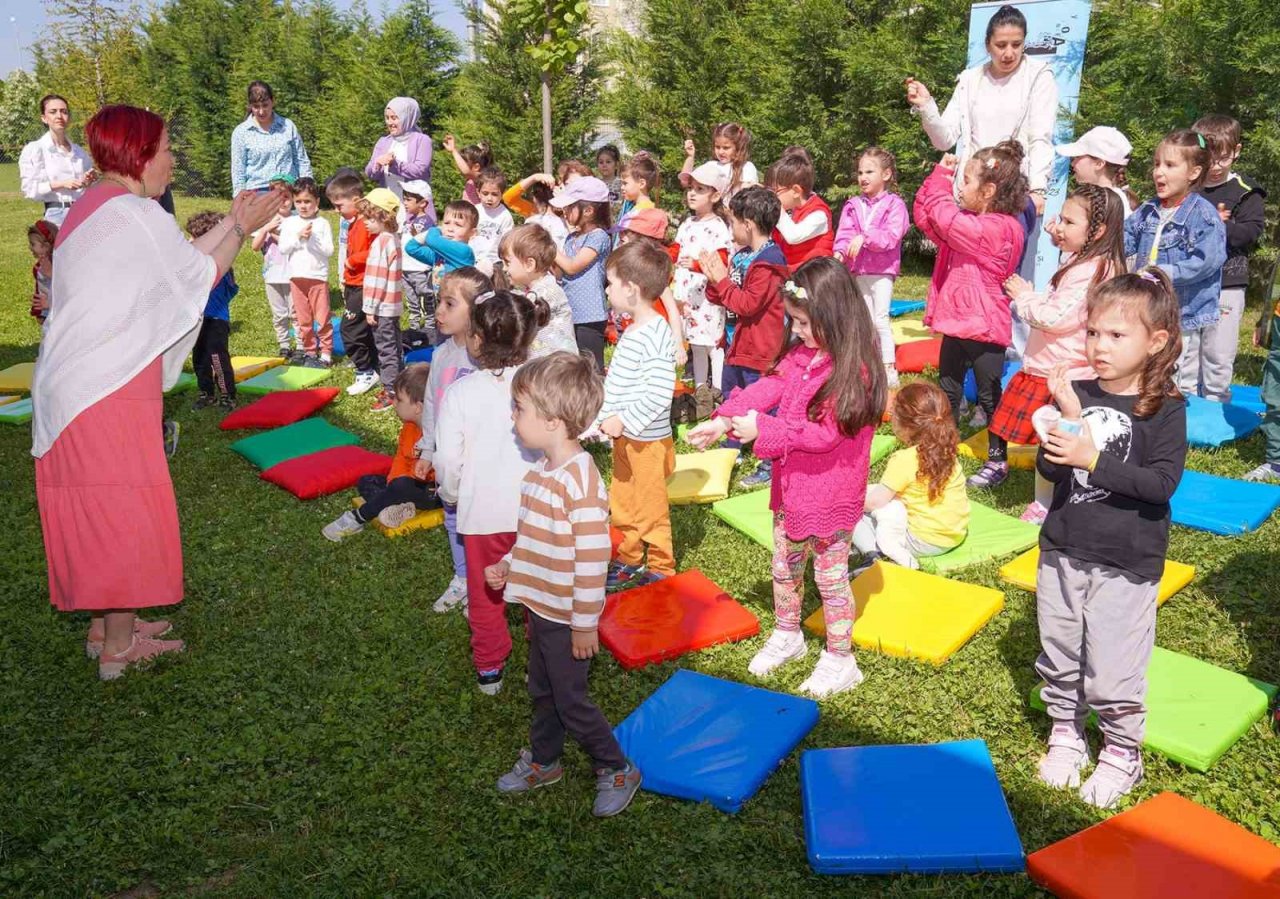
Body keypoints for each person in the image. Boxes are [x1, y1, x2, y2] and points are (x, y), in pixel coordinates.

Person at [31, 104, 283, 679]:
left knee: (100, 504)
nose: (173, 159)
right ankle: (119, 650)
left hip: (80, 383)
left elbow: (180, 263)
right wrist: (241, 227)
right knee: (120, 506)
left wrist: (235, 220)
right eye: (167, 148)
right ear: (139, 154)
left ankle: (107, 626)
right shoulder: (135, 213)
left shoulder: (98, 203)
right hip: (106, 386)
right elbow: (197, 275)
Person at [688, 258, 886, 697]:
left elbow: (825, 435)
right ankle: (788, 633)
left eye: (803, 323)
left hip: (831, 494)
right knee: (785, 566)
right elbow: (769, 387)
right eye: (793, 321)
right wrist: (724, 420)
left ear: (834, 315)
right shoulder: (803, 355)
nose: (796, 331)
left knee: (831, 578)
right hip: (793, 491)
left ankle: (841, 658)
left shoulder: (855, 370)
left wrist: (766, 428)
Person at [1033, 269, 1187, 809]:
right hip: (1063, 547)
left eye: (1117, 335)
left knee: (1113, 664)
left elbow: (1160, 485)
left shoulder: (1165, 409)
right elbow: (1052, 474)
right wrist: (1067, 423)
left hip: (1127, 559)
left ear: (1156, 342)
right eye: (1094, 332)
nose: (1100, 346)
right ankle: (1066, 730)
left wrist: (1092, 458)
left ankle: (1122, 749)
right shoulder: (1077, 393)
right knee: (1060, 649)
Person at [488, 351, 643, 817]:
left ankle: (617, 767)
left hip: (567, 617)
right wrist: (509, 563)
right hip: (540, 607)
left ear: (553, 422)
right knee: (543, 690)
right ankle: (545, 761)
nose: (513, 417)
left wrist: (584, 624)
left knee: (571, 701)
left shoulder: (581, 483)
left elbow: (593, 561)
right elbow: (534, 535)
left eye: (519, 409)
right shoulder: (540, 471)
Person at [434, 291, 548, 694]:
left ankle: (490, 669)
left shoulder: (461, 393)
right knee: (540, 592)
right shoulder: (541, 384)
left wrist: (451, 495)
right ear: (528, 336)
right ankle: (542, 664)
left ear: (476, 339)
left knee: (485, 596)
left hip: (482, 515)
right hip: (538, 511)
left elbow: (448, 458)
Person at [999, 186, 1125, 523]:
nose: (1059, 227)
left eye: (1069, 222)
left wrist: (1024, 297)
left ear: (1096, 231)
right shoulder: (1084, 261)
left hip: (1068, 375)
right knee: (1053, 444)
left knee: (1056, 446)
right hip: (1059, 368)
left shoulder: (1092, 270)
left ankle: (1047, 504)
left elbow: (1055, 318)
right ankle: (1050, 501)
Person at [914, 142, 1028, 490]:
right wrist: (938, 175)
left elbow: (944, 218)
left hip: (984, 327)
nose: (960, 189)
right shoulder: (969, 224)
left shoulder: (1001, 229)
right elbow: (927, 217)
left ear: (988, 191)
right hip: (956, 323)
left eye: (965, 181)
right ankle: (942, 452)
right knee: (947, 390)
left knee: (990, 396)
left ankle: (998, 460)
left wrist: (942, 179)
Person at [905, 4, 1057, 220]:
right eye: (1001, 45)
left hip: (1012, 197)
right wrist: (926, 106)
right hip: (971, 196)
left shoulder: (1039, 76)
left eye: (1017, 44)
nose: (1009, 53)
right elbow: (944, 141)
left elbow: (1041, 138)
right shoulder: (970, 79)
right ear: (987, 45)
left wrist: (1038, 189)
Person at [594, 240, 677, 590]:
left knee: (650, 505)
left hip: (647, 442)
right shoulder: (634, 328)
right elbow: (623, 383)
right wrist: (604, 416)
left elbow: (658, 391)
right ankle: (629, 556)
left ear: (631, 289)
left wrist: (624, 419)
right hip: (626, 438)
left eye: (610, 283)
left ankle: (661, 565)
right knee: (624, 499)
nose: (607, 290)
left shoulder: (656, 334)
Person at [1123, 129, 1227, 398]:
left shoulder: (1203, 215)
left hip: (1182, 312)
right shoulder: (1148, 210)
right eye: (1157, 164)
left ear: (1193, 172)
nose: (1159, 172)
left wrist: (1163, 272)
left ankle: (1173, 412)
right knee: (1146, 362)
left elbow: (1206, 261)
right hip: (1148, 305)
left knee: (1174, 369)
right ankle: (1148, 404)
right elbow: (1124, 238)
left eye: (1169, 165)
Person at [414, 268, 492, 612]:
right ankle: (462, 577)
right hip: (449, 460)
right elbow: (432, 404)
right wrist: (427, 450)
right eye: (439, 303)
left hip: (482, 463)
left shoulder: (486, 359)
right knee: (452, 517)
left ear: (475, 311)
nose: (439, 312)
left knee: (484, 524)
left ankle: (489, 579)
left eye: (450, 304)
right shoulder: (441, 354)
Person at [701, 185, 789, 489]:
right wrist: (713, 279)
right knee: (733, 395)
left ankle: (770, 461)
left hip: (760, 349)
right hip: (736, 344)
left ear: (748, 224)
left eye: (733, 222)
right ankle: (732, 449)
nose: (731, 229)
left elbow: (748, 304)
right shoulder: (743, 256)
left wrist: (722, 281)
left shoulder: (769, 262)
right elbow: (722, 296)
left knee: (765, 405)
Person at [852, 381, 968, 570]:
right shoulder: (948, 452)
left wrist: (846, 502)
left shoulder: (904, 459)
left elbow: (874, 502)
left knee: (850, 515)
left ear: (904, 425)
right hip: (954, 534)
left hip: (922, 541)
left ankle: (871, 553)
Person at [1194, 114, 1267, 402]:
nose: (1215, 166)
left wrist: (1219, 226)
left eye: (1222, 158)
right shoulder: (1188, 186)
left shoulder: (1246, 191)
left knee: (1218, 352)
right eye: (1209, 159)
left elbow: (1251, 232)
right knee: (1185, 352)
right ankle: (1184, 403)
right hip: (1189, 283)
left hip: (1227, 283)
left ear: (1236, 151)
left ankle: (1214, 404)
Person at [323, 364, 440, 540]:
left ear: (418, 407)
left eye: (399, 399)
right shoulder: (409, 428)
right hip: (407, 485)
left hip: (434, 492)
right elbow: (400, 459)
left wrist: (400, 484)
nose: (394, 403)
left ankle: (357, 518)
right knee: (367, 481)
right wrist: (393, 482)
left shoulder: (440, 433)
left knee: (402, 485)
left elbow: (441, 474)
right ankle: (397, 507)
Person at [833, 146, 911, 387]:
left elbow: (891, 236)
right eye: (860, 172)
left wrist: (865, 237)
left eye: (869, 172)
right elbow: (845, 233)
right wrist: (839, 252)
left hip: (882, 271)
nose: (863, 177)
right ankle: (868, 366)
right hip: (859, 271)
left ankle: (888, 367)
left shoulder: (895, 205)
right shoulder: (853, 204)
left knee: (880, 319)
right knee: (864, 321)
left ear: (886, 175)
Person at [673, 162, 734, 394]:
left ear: (715, 195)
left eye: (700, 189)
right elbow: (675, 249)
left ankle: (717, 391)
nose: (692, 193)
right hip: (688, 296)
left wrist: (697, 265)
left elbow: (722, 260)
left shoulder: (718, 227)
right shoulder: (688, 223)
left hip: (708, 297)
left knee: (713, 346)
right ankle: (701, 393)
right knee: (697, 345)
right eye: (691, 188)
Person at [552, 176, 614, 371]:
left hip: (590, 315)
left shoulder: (599, 237)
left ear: (588, 211)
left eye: (569, 207)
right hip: (571, 310)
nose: (564, 212)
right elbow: (560, 273)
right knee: (574, 368)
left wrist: (550, 248)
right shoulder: (571, 238)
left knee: (592, 368)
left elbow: (572, 266)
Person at [327, 173, 378, 395]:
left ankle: (364, 371)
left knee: (349, 330)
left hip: (363, 285)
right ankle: (372, 366)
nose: (336, 210)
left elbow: (376, 250)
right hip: (352, 283)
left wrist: (353, 261)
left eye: (339, 205)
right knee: (362, 329)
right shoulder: (353, 223)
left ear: (356, 200)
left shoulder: (367, 224)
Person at [495, 224, 577, 357]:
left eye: (507, 262)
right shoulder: (528, 290)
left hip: (558, 364)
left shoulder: (548, 291)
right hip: (542, 362)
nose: (504, 269)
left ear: (529, 264)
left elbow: (519, 318)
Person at [278, 177, 335, 369]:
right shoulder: (290, 223)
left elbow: (329, 251)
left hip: (317, 277)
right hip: (296, 277)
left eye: (307, 201)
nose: (303, 206)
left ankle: (326, 352)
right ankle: (310, 351)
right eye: (299, 201)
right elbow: (283, 248)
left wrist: (313, 239)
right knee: (303, 318)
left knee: (322, 316)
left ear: (316, 202)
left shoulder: (322, 223)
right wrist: (298, 237)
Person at [186, 211, 240, 411]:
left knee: (217, 358)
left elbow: (230, 289)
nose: (190, 241)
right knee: (199, 357)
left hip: (215, 319)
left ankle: (227, 395)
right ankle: (206, 393)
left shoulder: (220, 265)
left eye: (193, 237)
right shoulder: (196, 263)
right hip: (197, 318)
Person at [358, 188, 406, 412]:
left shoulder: (381, 243)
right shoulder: (394, 239)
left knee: (386, 350)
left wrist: (370, 308)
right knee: (395, 347)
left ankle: (390, 392)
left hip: (382, 307)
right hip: (392, 305)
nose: (365, 222)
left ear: (383, 216)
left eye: (370, 218)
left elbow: (377, 279)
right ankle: (401, 384)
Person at [19, 94, 95, 226]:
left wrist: (88, 181)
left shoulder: (79, 152)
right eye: (53, 112)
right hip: (57, 215)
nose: (59, 116)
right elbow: (30, 190)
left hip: (84, 211)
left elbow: (89, 187)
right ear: (44, 118)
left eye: (64, 111)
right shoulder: (35, 150)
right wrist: (62, 184)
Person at [230, 80, 312, 195]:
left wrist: (307, 188)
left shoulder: (288, 126)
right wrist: (240, 197)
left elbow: (301, 160)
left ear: (273, 102)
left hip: (289, 191)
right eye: (256, 107)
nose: (261, 111)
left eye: (265, 105)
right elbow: (238, 171)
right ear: (250, 106)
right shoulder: (241, 132)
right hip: (257, 193)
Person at [250, 175, 299, 360]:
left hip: (293, 274)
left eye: (286, 197)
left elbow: (294, 245)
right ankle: (284, 345)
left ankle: (301, 346)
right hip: (272, 275)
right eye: (278, 197)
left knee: (295, 313)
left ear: (292, 198)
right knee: (279, 314)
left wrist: (275, 234)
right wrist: (266, 229)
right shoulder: (267, 220)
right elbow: (255, 247)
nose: (283, 201)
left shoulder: (297, 220)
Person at [365, 97, 435, 220]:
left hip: (414, 206)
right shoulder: (383, 141)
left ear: (407, 118)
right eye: (387, 118)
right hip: (388, 204)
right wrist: (378, 164)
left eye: (394, 118)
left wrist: (394, 164)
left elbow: (420, 170)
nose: (389, 122)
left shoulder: (422, 140)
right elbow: (370, 173)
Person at [1055, 126, 1140, 218]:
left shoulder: (1110, 203)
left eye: (1078, 157)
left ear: (1099, 164)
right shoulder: (1102, 198)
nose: (1072, 163)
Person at [769, 149, 834, 267]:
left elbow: (794, 236)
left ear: (796, 191)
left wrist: (777, 208)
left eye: (776, 191)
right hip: (792, 274)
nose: (773, 196)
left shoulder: (819, 214)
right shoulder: (789, 211)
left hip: (816, 275)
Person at [680, 122, 760, 200]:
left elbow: (749, 198)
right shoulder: (711, 165)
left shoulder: (746, 167)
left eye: (726, 148)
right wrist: (690, 157)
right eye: (717, 147)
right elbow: (685, 182)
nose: (721, 152)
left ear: (738, 148)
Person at [398, 179, 437, 337]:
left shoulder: (427, 222)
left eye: (409, 199)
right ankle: (414, 326)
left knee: (425, 295)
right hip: (406, 267)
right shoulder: (409, 220)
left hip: (420, 268)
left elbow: (430, 243)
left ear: (422, 203)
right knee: (411, 299)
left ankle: (430, 325)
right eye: (404, 199)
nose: (405, 203)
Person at [404, 200, 479, 277]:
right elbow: (411, 248)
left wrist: (435, 229)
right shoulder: (439, 255)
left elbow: (432, 239)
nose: (450, 229)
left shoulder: (465, 251)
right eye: (446, 223)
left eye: (458, 225)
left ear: (472, 233)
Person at [502, 173, 570, 250]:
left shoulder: (533, 213)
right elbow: (508, 198)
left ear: (535, 198)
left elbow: (508, 198)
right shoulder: (534, 211)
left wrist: (534, 178)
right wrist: (535, 177)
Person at [470, 166, 515, 275]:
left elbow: (507, 241)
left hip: (495, 262)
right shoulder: (474, 211)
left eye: (494, 194)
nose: (489, 198)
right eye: (485, 193)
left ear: (501, 194)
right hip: (473, 259)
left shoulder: (505, 216)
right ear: (478, 192)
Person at [615, 151, 660, 237]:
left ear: (641, 184)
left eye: (625, 183)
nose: (622, 187)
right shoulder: (632, 207)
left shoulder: (646, 213)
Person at [442, 134, 492, 204]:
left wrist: (453, 150)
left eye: (463, 162)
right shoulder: (471, 181)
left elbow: (466, 171)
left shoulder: (481, 179)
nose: (458, 165)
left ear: (476, 167)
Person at [28, 220, 57, 325]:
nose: (30, 247)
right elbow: (39, 290)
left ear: (46, 245)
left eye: (33, 244)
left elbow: (66, 290)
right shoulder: (39, 267)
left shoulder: (60, 264)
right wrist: (39, 312)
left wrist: (51, 274)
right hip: (47, 313)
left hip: (58, 312)